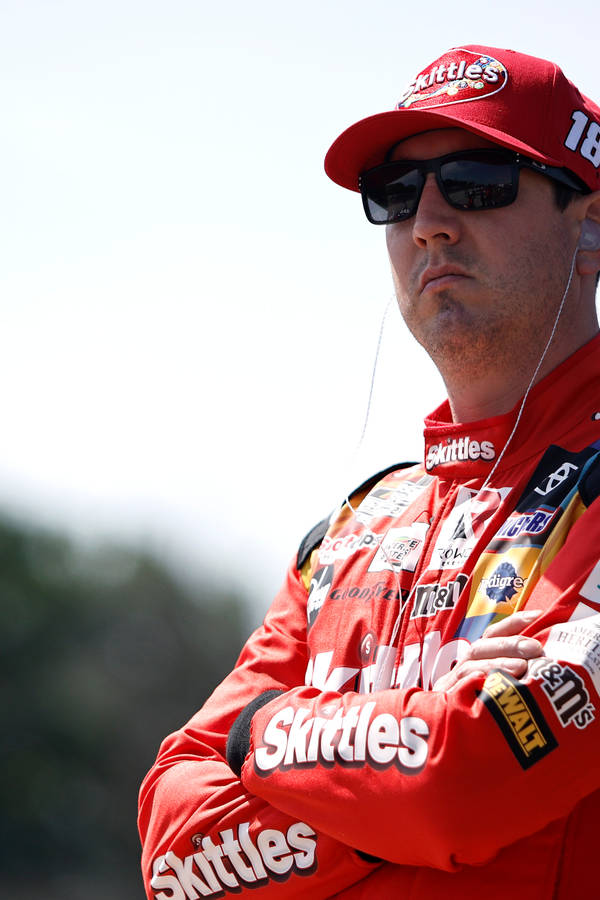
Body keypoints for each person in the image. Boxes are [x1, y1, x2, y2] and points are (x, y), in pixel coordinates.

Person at [138, 44, 600, 898]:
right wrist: (393, 783)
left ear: (591, 227)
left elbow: (463, 785)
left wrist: (261, 736)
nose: (428, 222)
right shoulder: (353, 527)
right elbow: (172, 847)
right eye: (395, 193)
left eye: (477, 182)